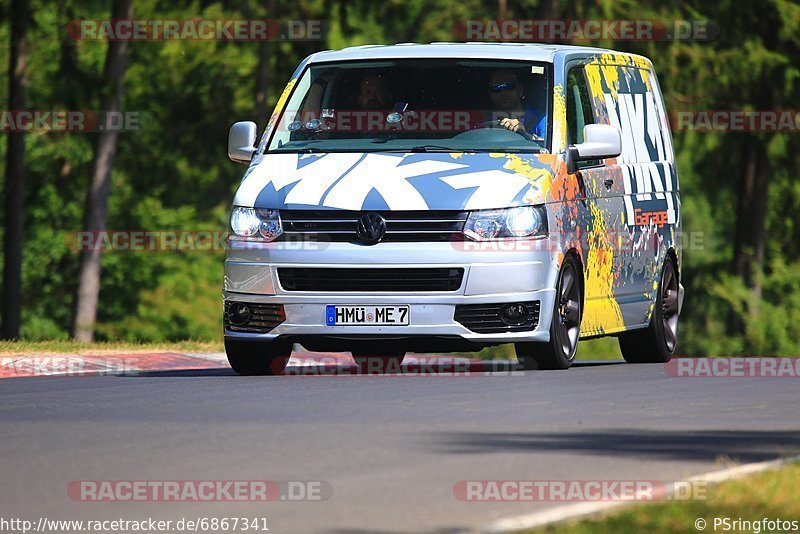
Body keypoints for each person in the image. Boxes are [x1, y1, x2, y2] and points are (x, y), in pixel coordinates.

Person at [487, 68, 546, 140]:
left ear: (520, 90)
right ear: (490, 94)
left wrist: (525, 134)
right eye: (496, 88)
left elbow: (549, 146)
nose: (503, 93)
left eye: (509, 86)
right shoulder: (485, 119)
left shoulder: (540, 118)